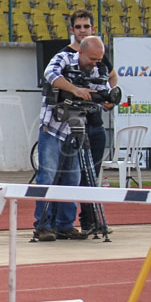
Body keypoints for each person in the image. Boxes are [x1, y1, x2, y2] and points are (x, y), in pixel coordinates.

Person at [33, 36, 111, 241]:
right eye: (92, 58)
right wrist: (75, 89)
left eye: (99, 59)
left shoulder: (98, 69)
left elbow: (104, 91)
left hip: (77, 127)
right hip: (53, 126)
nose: (96, 63)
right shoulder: (63, 58)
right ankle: (42, 225)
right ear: (81, 52)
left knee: (72, 178)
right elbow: (49, 74)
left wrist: (107, 100)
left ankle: (65, 225)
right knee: (47, 177)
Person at [63, 11, 117, 233]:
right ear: (72, 30)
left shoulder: (98, 53)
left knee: (92, 175)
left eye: (86, 26)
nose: (82, 30)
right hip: (74, 124)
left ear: (92, 29)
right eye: (79, 27)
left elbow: (112, 76)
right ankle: (66, 222)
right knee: (73, 175)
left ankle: (90, 219)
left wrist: (108, 97)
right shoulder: (65, 56)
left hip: (95, 123)